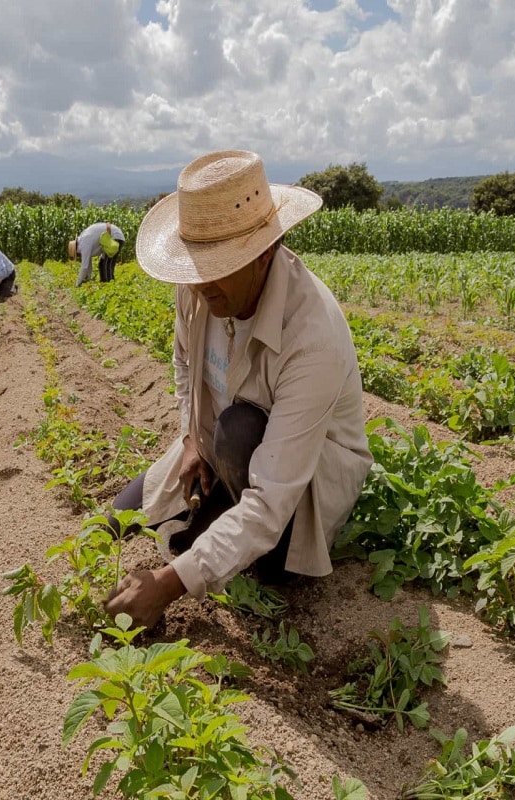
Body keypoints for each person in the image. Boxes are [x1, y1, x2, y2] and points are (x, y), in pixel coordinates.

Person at [104, 149, 373, 630]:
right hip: (221, 450)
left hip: (297, 483)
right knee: (115, 520)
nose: (200, 282)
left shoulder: (313, 337)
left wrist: (167, 586)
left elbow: (271, 504)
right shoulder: (199, 291)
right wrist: (189, 439)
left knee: (238, 430)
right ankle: (214, 508)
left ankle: (252, 554)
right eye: (195, 264)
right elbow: (184, 361)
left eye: (217, 265)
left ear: (264, 252)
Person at [70, 222, 125, 286]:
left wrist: (78, 283)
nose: (80, 256)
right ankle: (104, 285)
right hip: (109, 240)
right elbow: (88, 265)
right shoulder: (83, 240)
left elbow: (84, 266)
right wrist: (88, 279)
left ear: (77, 251)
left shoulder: (84, 245)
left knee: (107, 264)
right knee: (101, 264)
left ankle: (110, 287)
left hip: (115, 237)